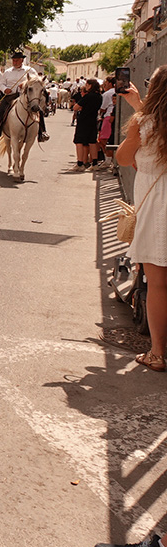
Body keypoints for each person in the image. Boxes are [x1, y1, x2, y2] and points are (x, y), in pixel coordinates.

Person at [114, 67, 167, 378]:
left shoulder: (143, 124)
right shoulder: (146, 118)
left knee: (159, 284)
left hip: (158, 207)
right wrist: (138, 104)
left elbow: (122, 157)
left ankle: (158, 353)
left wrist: (138, 111)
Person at [0, 50, 48, 144]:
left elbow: (37, 82)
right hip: (10, 96)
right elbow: (1, 83)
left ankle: (42, 132)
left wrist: (25, 84)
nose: (15, 62)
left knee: (39, 110)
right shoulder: (8, 72)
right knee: (1, 110)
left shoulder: (30, 70)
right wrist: (5, 89)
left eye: (17, 60)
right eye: (13, 60)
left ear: (22, 60)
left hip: (25, 95)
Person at [72, 78, 103, 171]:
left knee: (79, 141)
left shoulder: (88, 96)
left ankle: (80, 163)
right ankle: (94, 163)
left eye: (87, 84)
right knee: (92, 141)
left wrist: (81, 107)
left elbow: (75, 107)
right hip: (93, 120)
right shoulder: (99, 96)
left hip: (83, 121)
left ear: (90, 85)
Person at [99, 76, 117, 169]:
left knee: (103, 140)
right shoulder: (117, 91)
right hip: (112, 116)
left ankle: (108, 160)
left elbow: (102, 107)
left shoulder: (107, 94)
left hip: (108, 116)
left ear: (110, 83)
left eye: (106, 82)